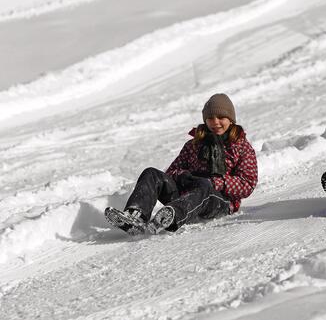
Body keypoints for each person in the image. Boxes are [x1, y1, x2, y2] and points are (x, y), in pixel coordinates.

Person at [106, 93, 258, 234]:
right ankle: (135, 217)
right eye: (210, 118)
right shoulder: (194, 145)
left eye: (221, 117)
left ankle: (170, 217)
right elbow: (172, 171)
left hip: (220, 201)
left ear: (231, 119)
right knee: (151, 173)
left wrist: (215, 182)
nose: (215, 122)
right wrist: (183, 176)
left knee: (204, 186)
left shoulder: (241, 147)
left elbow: (248, 184)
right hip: (187, 194)